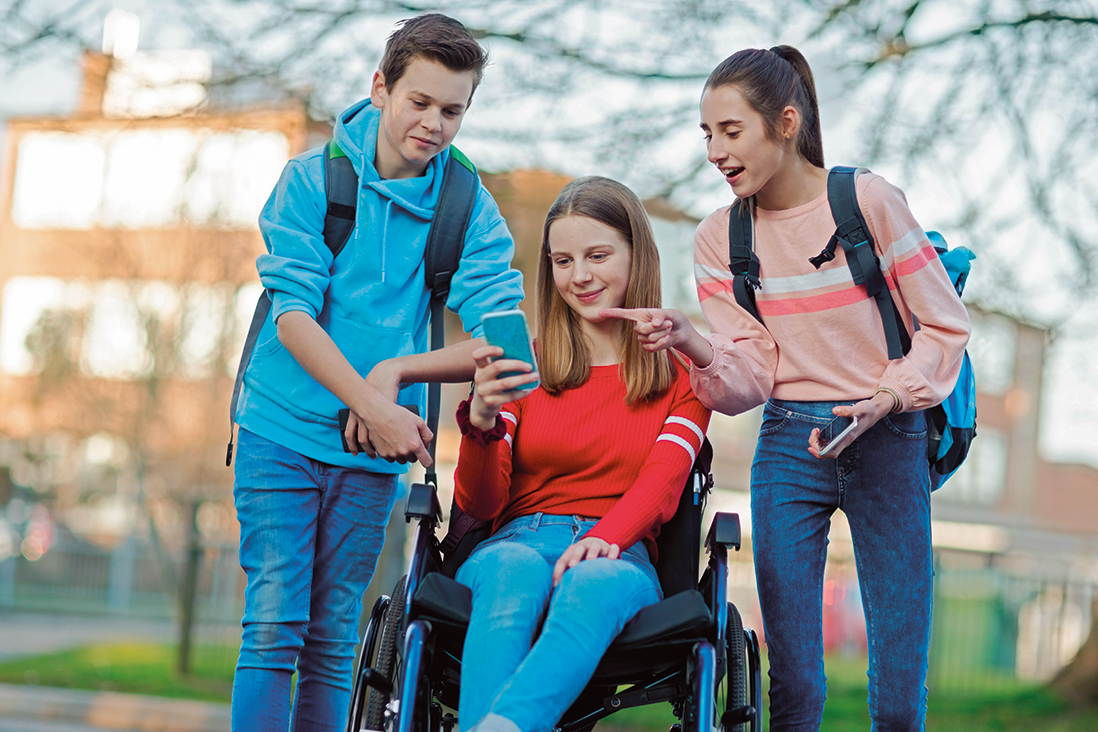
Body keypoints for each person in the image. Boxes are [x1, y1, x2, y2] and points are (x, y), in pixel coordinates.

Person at [603, 47, 971, 731]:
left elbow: (945, 326)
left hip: (889, 438)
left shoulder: (867, 203)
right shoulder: (721, 239)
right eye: (706, 134)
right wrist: (691, 340)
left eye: (730, 131)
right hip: (789, 444)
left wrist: (890, 397)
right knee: (794, 686)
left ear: (785, 122)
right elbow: (749, 379)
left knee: (897, 692)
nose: (714, 150)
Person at [229, 14, 524, 732]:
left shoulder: (463, 206)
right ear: (381, 87)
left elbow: (510, 346)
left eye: (452, 110)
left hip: (372, 452)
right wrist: (369, 396)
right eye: (419, 102)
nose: (433, 124)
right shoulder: (313, 180)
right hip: (279, 433)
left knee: (334, 639)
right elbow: (292, 317)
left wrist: (396, 375)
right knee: (274, 625)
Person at [450, 176, 711, 732]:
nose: (580, 276)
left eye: (597, 256)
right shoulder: (525, 364)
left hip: (621, 552)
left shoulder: (683, 376)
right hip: (517, 536)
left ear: (636, 254)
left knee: (590, 585)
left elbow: (663, 484)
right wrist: (481, 424)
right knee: (514, 570)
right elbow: (482, 500)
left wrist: (606, 538)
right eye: (562, 261)